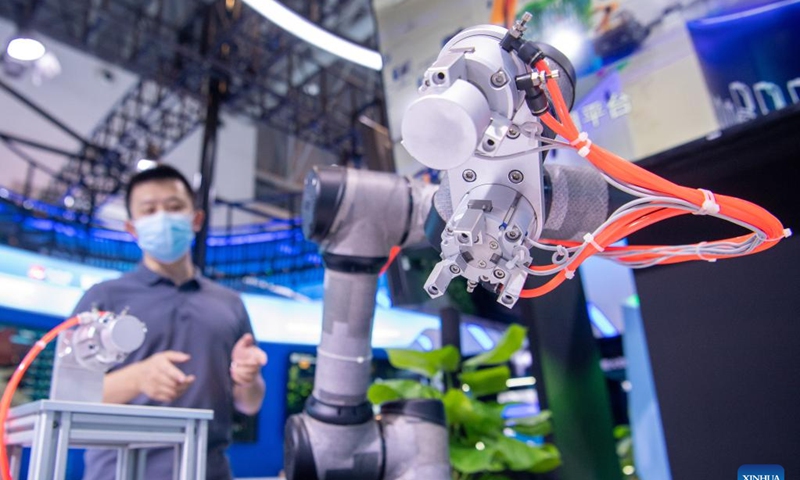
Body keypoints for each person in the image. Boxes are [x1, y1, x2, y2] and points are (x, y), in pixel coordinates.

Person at [73, 164, 267, 480]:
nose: (162, 218)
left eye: (174, 207)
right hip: (119, 472)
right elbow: (70, 395)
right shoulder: (103, 299)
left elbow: (250, 404)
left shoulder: (230, 304)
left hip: (209, 470)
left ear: (196, 219)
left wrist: (248, 378)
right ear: (132, 229)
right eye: (149, 210)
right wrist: (136, 379)